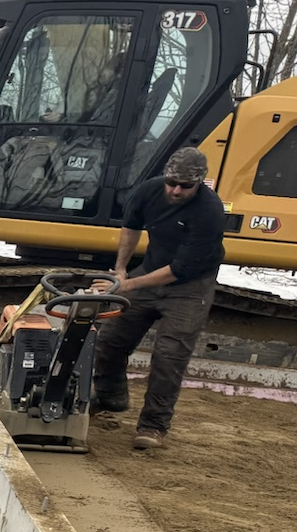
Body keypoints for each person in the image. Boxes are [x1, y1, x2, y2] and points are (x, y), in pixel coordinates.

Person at [89, 146, 228, 450]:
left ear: (199, 183)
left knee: (169, 355)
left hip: (190, 286)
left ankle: (154, 426)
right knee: (110, 338)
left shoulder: (210, 212)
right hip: (149, 272)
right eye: (172, 183)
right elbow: (130, 228)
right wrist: (121, 271)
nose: (176, 191)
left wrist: (128, 286)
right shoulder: (149, 191)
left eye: (186, 186)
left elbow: (180, 269)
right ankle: (111, 396)